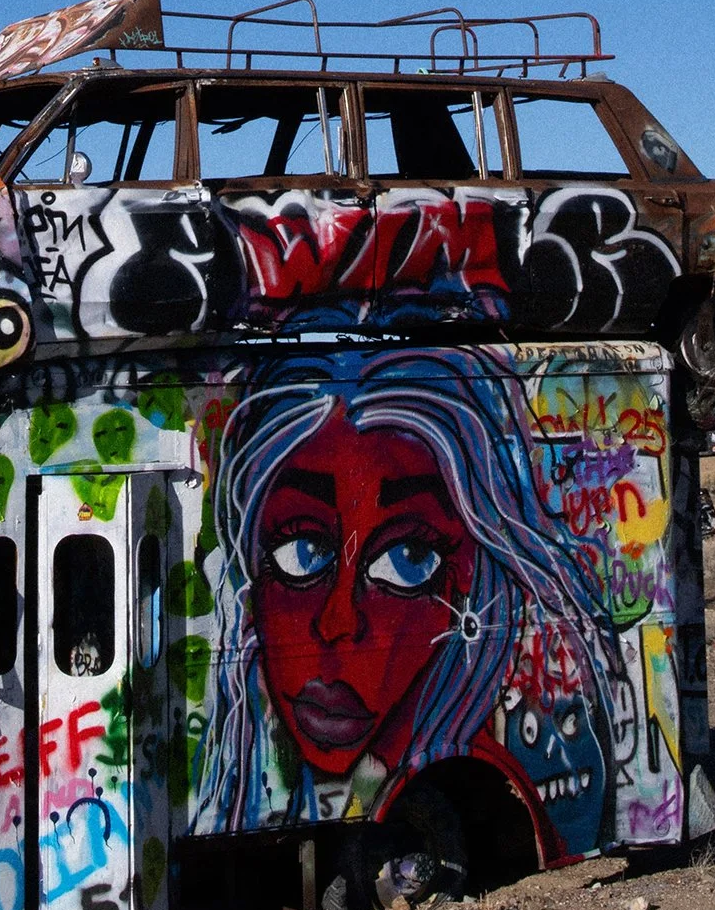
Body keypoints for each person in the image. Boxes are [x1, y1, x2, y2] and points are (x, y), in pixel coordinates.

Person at [194, 344, 633, 839]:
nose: (339, 623)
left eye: (408, 560)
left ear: (469, 579)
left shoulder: (541, 742)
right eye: (300, 550)